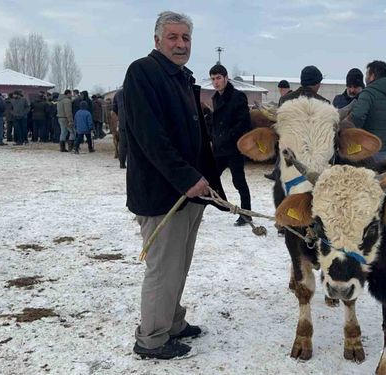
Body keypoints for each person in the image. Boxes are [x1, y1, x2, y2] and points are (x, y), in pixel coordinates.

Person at [123, 10, 225, 360]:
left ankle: (173, 322)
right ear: (157, 40)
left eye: (186, 38)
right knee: (163, 268)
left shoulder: (181, 78)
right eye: (173, 37)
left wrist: (204, 181)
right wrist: (186, 178)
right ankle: (151, 338)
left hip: (191, 192)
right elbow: (151, 138)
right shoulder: (143, 73)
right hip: (163, 194)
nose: (181, 44)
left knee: (179, 264)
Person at [208, 64, 253, 226]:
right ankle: (198, 210)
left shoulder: (237, 97)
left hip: (234, 149)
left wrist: (227, 137)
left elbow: (244, 124)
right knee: (210, 179)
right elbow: (215, 123)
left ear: (226, 78)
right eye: (213, 79)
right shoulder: (215, 98)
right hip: (219, 150)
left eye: (219, 78)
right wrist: (213, 137)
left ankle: (246, 214)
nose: (216, 82)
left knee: (239, 182)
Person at [350, 60, 386, 162]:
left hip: (370, 151)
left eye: (367, 74)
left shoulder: (368, 93)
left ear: (372, 75)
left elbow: (357, 117)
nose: (366, 77)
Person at [112, 89, 127, 168]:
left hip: (122, 121)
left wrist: (120, 115)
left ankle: (122, 163)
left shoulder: (118, 94)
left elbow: (114, 108)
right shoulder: (137, 90)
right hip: (134, 121)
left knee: (122, 143)